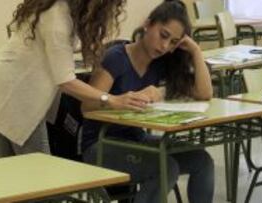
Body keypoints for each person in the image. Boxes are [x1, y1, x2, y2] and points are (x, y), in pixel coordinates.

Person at [0, 0, 150, 157]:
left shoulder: (57, 9)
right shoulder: (58, 18)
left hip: (4, 88)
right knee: (38, 173)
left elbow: (52, 49)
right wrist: (111, 99)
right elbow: (66, 82)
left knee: (10, 170)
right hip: (17, 96)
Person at [80, 1, 214, 203]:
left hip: (136, 140)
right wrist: (121, 100)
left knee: (201, 160)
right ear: (148, 24)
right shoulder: (116, 58)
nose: (164, 46)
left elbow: (204, 93)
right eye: (163, 35)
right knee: (166, 168)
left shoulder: (160, 62)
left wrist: (195, 51)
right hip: (101, 144)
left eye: (173, 42)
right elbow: (86, 106)